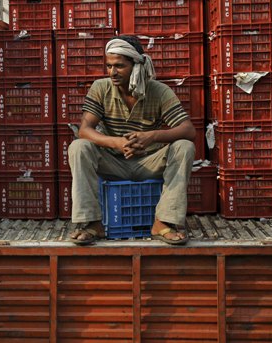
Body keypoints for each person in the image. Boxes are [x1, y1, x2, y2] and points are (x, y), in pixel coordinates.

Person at [68, 35, 196, 246]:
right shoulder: (101, 87)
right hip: (113, 162)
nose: (112, 72)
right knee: (79, 147)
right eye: (109, 66)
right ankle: (91, 223)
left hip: (149, 162)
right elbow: (84, 130)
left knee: (185, 146)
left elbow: (188, 130)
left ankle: (164, 221)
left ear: (136, 65)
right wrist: (115, 143)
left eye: (119, 66)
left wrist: (152, 136)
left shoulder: (159, 91)